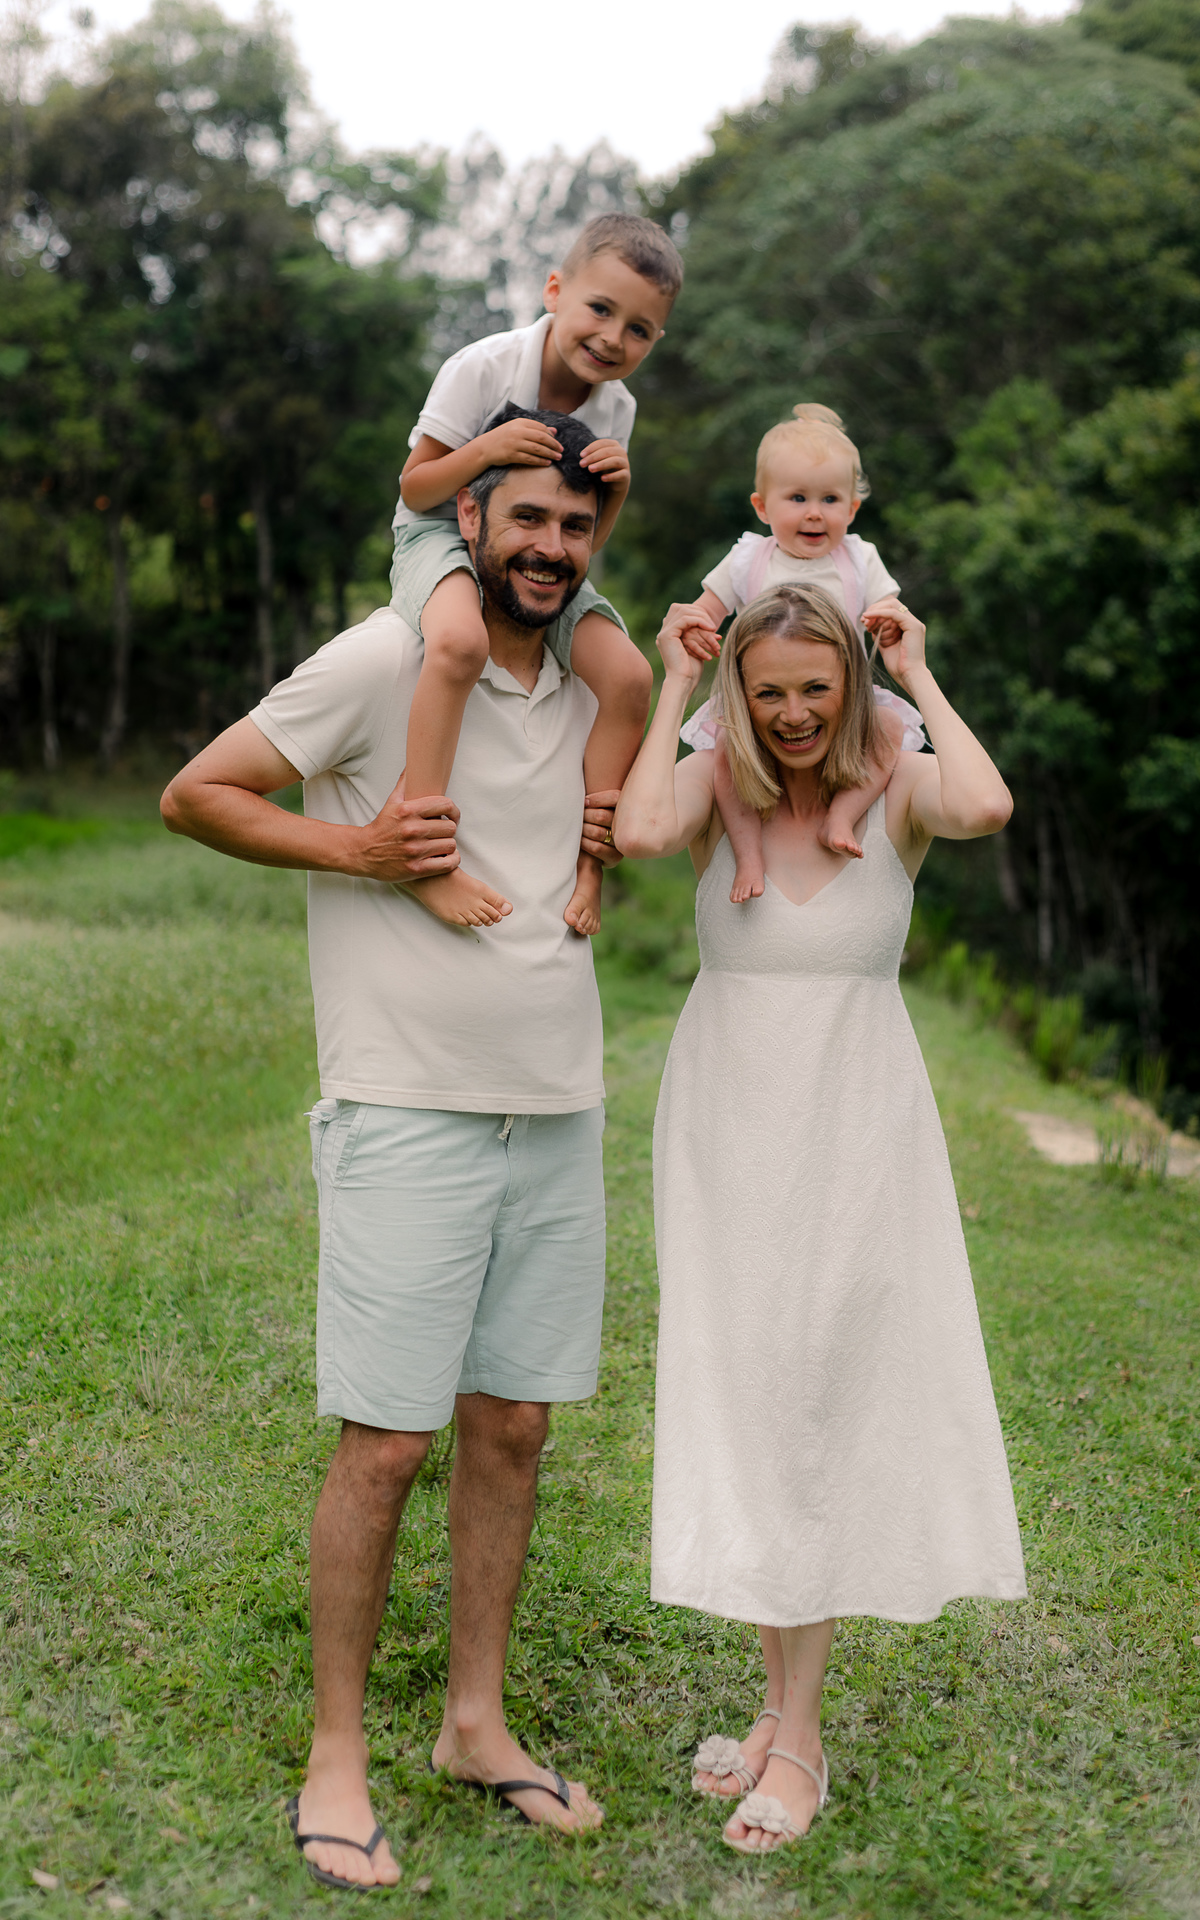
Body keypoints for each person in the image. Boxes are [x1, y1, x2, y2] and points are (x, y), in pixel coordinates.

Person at [160, 414, 625, 1889]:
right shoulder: (384, 658)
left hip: (557, 1102)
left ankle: (475, 1725)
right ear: (468, 523)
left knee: (516, 1427)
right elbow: (199, 793)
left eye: (574, 528)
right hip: (406, 1104)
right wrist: (358, 849)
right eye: (526, 520)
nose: (549, 548)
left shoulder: (587, 681)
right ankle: (337, 1755)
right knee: (387, 1444)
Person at [613, 582, 1027, 1855]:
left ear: (851, 685)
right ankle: (773, 1708)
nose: (794, 713)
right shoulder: (713, 792)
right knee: (753, 1403)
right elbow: (638, 829)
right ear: (742, 694)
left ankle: (799, 1740)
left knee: (822, 1407)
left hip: (855, 1140)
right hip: (729, 1136)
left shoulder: (896, 788)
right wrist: (678, 685)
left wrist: (920, 671)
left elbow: (987, 805)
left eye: (816, 687)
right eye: (770, 691)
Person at [391, 211, 681, 935]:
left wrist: (617, 491)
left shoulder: (618, 407)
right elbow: (416, 489)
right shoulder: (483, 366)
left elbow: (584, 544)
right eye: (600, 309)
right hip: (439, 533)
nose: (612, 338)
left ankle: (590, 864)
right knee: (459, 643)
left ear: (655, 340)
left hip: (538, 554)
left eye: (639, 329)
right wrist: (486, 451)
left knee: (629, 677)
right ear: (555, 291)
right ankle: (422, 853)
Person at [674, 403, 925, 902]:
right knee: (725, 753)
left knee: (890, 730)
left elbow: (889, 608)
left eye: (830, 499)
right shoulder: (749, 558)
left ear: (852, 510)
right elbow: (705, 609)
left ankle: (841, 815)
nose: (814, 512)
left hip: (843, 703)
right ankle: (748, 854)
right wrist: (694, 629)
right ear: (762, 507)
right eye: (797, 498)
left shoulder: (859, 558)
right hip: (760, 704)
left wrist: (887, 621)